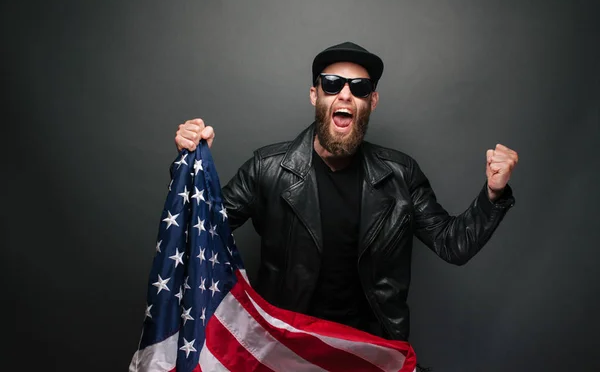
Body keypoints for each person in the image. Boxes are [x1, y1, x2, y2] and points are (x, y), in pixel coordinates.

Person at [174, 42, 518, 344]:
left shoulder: (400, 173)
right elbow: (199, 234)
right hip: (287, 347)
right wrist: (192, 165)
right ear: (315, 95)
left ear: (372, 101)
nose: (345, 94)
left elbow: (452, 243)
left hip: (370, 350)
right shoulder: (267, 168)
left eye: (360, 87)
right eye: (332, 84)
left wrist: (493, 193)